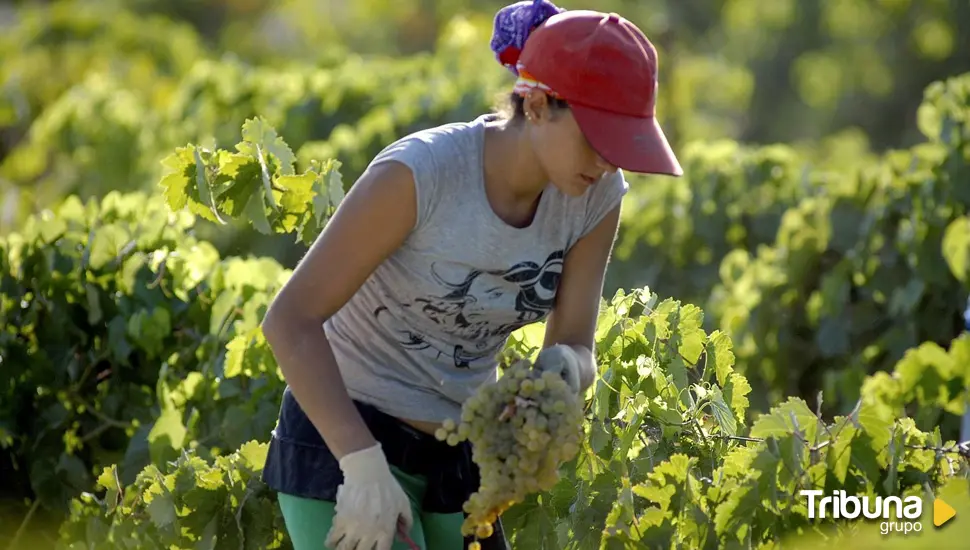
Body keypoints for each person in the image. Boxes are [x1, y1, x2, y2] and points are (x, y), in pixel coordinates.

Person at [258, 1, 683, 549]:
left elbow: (577, 344)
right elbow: (289, 321)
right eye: (596, 138)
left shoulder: (596, 198)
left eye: (621, 145)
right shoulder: (421, 175)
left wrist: (562, 368)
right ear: (535, 104)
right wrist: (361, 466)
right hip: (344, 439)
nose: (606, 162)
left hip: (458, 456)